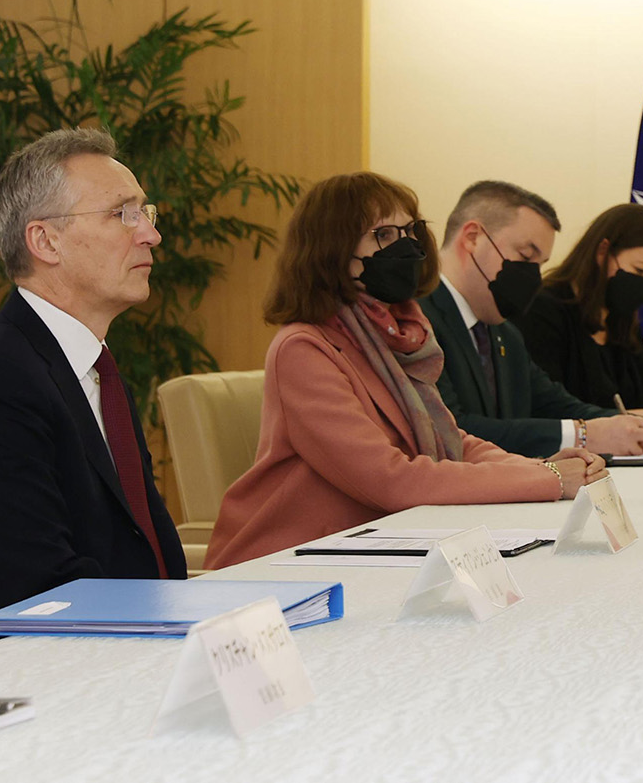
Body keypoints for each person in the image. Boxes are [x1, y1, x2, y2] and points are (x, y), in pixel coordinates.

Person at [205, 173, 606, 568]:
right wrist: (549, 480)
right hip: (293, 564)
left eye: (410, 232)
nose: (408, 247)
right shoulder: (304, 348)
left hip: (382, 544)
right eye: (384, 235)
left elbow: (450, 439)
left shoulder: (393, 336)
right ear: (333, 249)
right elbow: (390, 479)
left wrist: (542, 467)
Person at [0, 129, 187, 640]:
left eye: (147, 213)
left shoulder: (88, 368)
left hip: (129, 647)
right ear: (45, 241)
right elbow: (42, 594)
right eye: (122, 214)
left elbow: (142, 553)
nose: (150, 235)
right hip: (33, 679)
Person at [424, 181, 643, 460]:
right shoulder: (418, 318)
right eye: (525, 256)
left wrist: (635, 429)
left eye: (540, 264)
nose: (533, 276)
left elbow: (553, 403)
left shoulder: (504, 332)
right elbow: (450, 429)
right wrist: (584, 435)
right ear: (473, 237)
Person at [517, 203, 643, 433]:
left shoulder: (621, 321)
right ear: (602, 251)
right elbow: (549, 409)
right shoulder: (542, 310)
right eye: (639, 270)